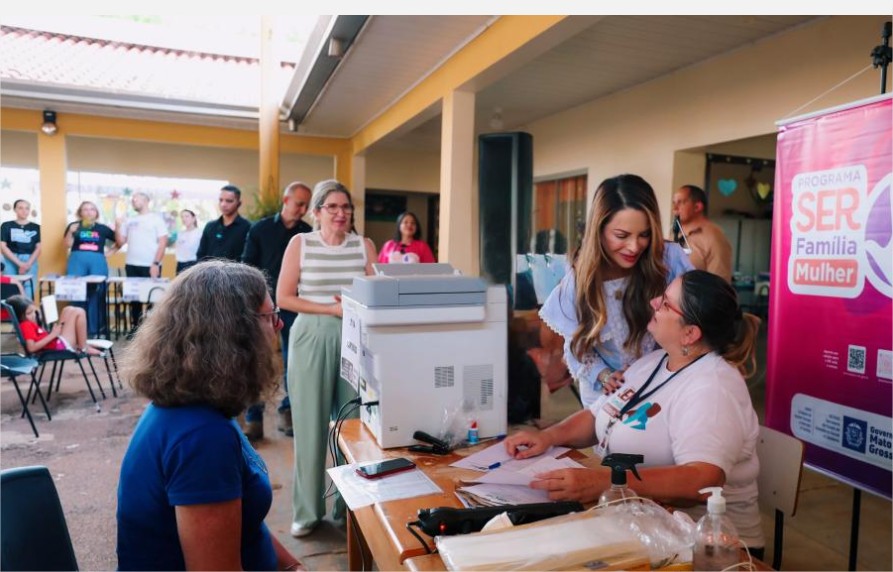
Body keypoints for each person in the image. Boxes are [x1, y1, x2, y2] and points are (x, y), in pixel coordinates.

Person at [503, 270, 764, 555]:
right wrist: (549, 436)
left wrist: (606, 483)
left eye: (665, 303)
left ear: (690, 333)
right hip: (641, 524)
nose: (653, 302)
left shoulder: (712, 388)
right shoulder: (655, 361)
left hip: (710, 550)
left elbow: (702, 480)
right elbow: (598, 415)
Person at [116, 260, 305, 571]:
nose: (279, 325)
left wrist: (293, 566)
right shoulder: (202, 438)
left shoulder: (202, 405)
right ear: (235, 332)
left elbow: (242, 521)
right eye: (271, 316)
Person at [536, 174, 693, 409]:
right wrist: (603, 374)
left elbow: (694, 319)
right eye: (621, 236)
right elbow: (576, 344)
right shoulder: (580, 277)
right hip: (606, 395)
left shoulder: (668, 258)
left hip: (663, 385)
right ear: (599, 230)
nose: (634, 246)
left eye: (644, 234)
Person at [276, 179, 376, 538]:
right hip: (311, 336)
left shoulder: (363, 245)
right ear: (316, 212)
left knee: (352, 424)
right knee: (310, 424)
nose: (340, 213)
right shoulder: (300, 244)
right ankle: (307, 510)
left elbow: (375, 293)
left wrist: (350, 306)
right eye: (332, 207)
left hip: (355, 337)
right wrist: (329, 308)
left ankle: (346, 505)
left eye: (346, 207)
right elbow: (284, 297)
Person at [241, 182, 313, 440]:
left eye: (307, 205)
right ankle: (253, 418)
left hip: (294, 306)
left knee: (293, 362)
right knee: (257, 360)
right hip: (261, 306)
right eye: (299, 203)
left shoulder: (308, 235)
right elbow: (247, 266)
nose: (303, 209)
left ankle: (287, 411)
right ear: (286, 200)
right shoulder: (260, 229)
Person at [64, 200, 121, 337]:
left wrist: (110, 253)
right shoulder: (73, 226)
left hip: (97, 262)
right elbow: (67, 244)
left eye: (92, 209)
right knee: (76, 293)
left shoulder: (102, 228)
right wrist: (70, 233)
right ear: (80, 213)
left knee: (97, 293)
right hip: (77, 261)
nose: (89, 212)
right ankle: (76, 329)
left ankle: (95, 330)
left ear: (96, 213)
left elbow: (119, 241)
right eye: (85, 209)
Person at [116, 192, 168, 334]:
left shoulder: (156, 219)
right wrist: (117, 225)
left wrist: (155, 263)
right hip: (131, 264)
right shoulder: (129, 220)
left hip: (150, 265)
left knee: (153, 300)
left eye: (136, 199)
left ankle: (152, 333)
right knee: (135, 300)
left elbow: (163, 243)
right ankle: (135, 331)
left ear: (146, 200)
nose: (133, 201)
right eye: (132, 199)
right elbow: (121, 242)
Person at [6, 294, 103, 356]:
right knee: (79, 312)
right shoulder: (26, 325)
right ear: (19, 315)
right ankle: (83, 348)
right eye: (28, 313)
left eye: (33, 311)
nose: (33, 315)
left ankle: (82, 344)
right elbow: (31, 348)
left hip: (56, 342)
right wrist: (53, 335)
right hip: (59, 346)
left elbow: (39, 337)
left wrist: (52, 333)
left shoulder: (29, 323)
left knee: (68, 309)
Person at [672, 184, 733, 282]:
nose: (674, 208)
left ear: (697, 207)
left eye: (680, 202)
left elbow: (720, 285)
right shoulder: (675, 232)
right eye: (674, 203)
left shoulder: (714, 237)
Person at [196, 184, 251, 262]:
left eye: (229, 201)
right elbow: (201, 254)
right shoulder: (210, 226)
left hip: (236, 273)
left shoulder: (248, 227)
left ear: (239, 203)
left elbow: (249, 258)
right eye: (221, 200)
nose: (223, 204)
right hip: (210, 273)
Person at [1, 199, 41, 299]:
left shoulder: (36, 227)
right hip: (10, 259)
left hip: (30, 260)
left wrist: (27, 264)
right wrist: (20, 264)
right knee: (11, 291)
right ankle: (11, 314)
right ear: (15, 210)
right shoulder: (6, 225)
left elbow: (39, 247)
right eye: (20, 208)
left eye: (27, 208)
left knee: (28, 292)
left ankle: (26, 313)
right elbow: (3, 246)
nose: (24, 211)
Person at [174, 209, 201, 274]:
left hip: (193, 264)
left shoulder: (199, 233)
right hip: (180, 265)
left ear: (194, 218)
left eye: (187, 216)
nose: (184, 219)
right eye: (182, 217)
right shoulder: (180, 234)